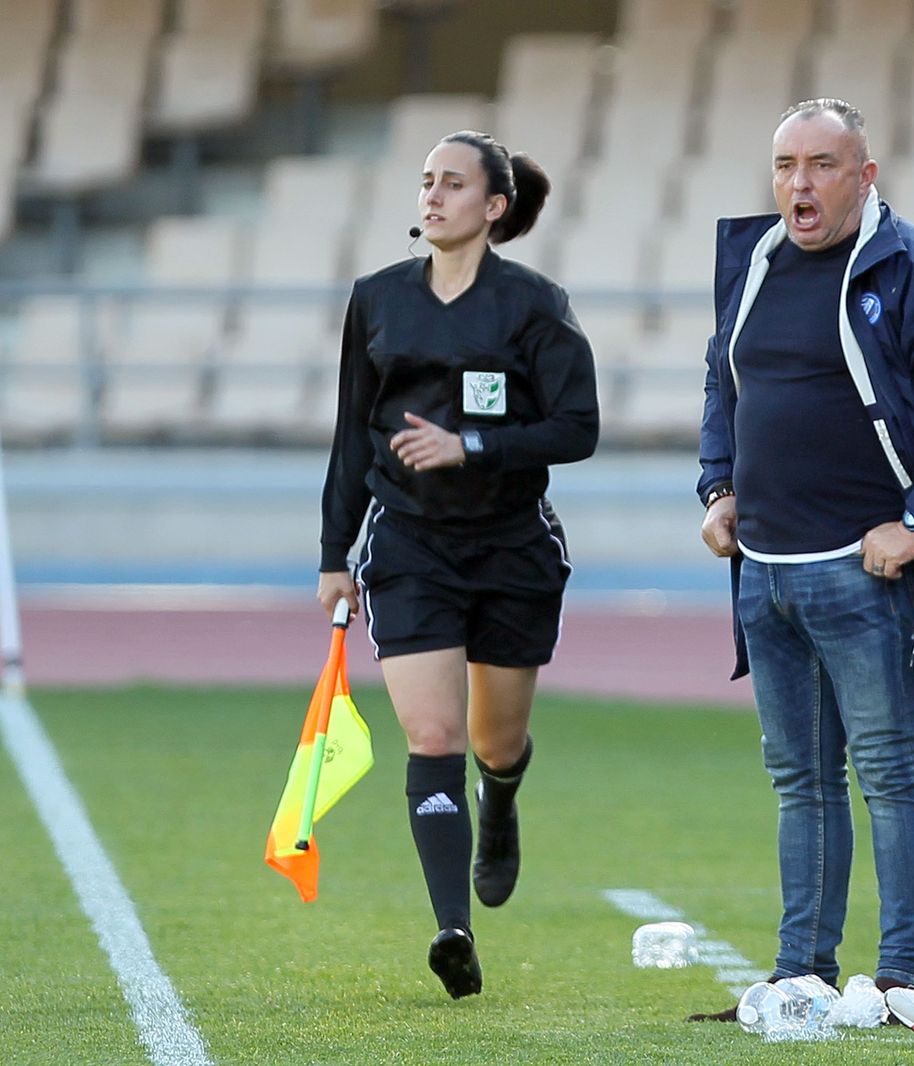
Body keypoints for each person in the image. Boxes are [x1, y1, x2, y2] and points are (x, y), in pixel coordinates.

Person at [692, 98, 914, 1018]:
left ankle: (900, 978)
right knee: (799, 781)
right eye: (784, 167)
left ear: (865, 175)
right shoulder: (754, 260)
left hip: (862, 569)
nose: (798, 185)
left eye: (821, 166)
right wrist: (716, 488)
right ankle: (800, 970)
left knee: (890, 771)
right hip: (763, 569)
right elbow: (724, 382)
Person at [316, 130, 599, 999]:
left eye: (453, 184)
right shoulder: (377, 299)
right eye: (426, 182)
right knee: (432, 736)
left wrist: (471, 444)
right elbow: (351, 436)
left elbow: (576, 429)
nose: (433, 197)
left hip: (512, 547)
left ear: (495, 206)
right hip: (410, 546)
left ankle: (500, 800)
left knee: (494, 740)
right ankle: (453, 930)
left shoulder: (534, 304)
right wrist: (336, 555)